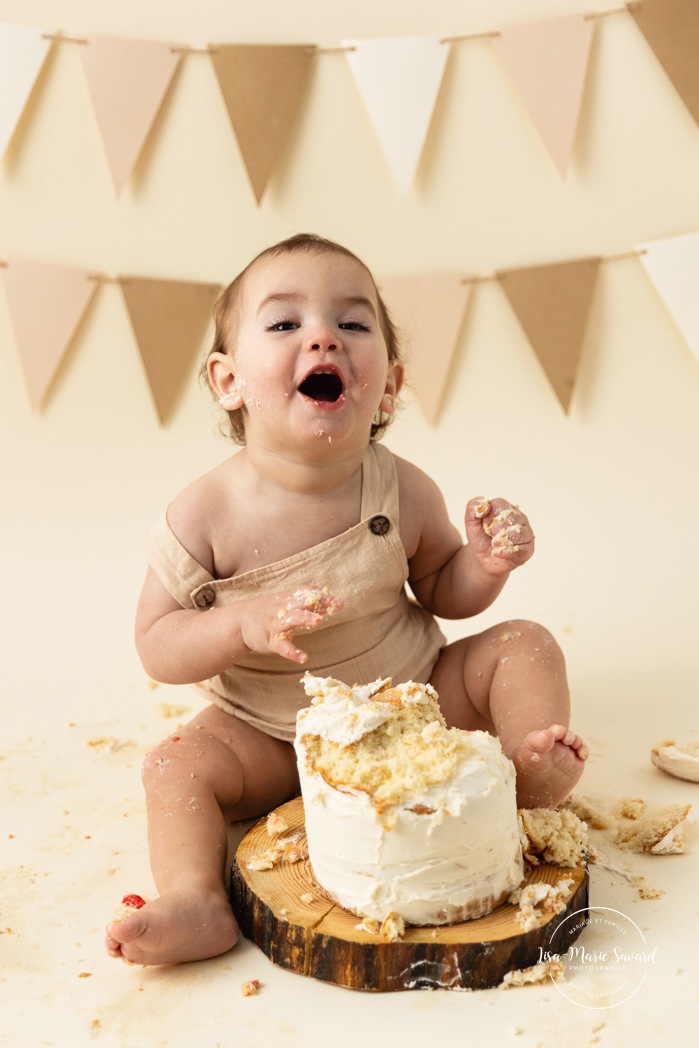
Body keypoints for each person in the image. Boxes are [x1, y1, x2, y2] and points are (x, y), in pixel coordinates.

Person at [105, 233, 587, 966]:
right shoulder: (203, 513)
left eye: (352, 324)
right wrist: (241, 624)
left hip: (414, 703)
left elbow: (441, 591)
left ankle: (527, 771)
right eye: (284, 323)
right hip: (272, 732)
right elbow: (157, 643)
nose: (323, 335)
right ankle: (195, 897)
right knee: (174, 768)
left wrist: (483, 566)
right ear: (227, 380)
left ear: (387, 385)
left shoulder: (400, 488)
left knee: (524, 643)